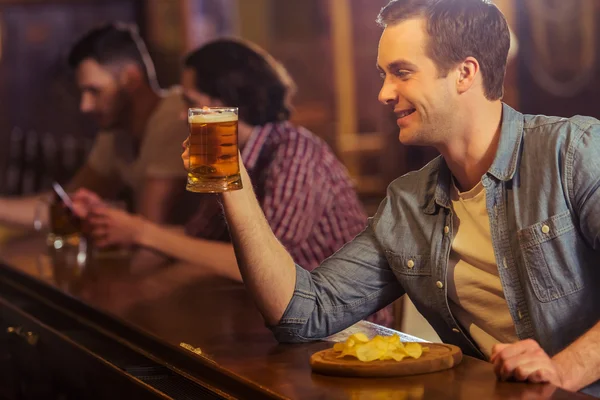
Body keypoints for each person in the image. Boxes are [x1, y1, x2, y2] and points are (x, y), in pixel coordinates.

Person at [214, 0, 600, 396]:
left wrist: (561, 372)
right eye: (383, 74)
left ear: (464, 73)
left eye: (402, 73)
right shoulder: (408, 202)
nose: (383, 93)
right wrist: (233, 181)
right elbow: (300, 315)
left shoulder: (573, 151)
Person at [74, 39, 394, 325]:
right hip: (284, 321)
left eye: (189, 102)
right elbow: (196, 238)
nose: (179, 115)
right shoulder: (233, 155)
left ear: (224, 105)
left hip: (348, 327)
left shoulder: (296, 152)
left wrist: (144, 233)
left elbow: (263, 263)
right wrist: (125, 229)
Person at [0, 23, 192, 228]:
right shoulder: (116, 132)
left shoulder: (174, 117)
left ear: (131, 79)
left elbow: (149, 234)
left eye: (94, 91)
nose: (85, 106)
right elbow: (67, 204)